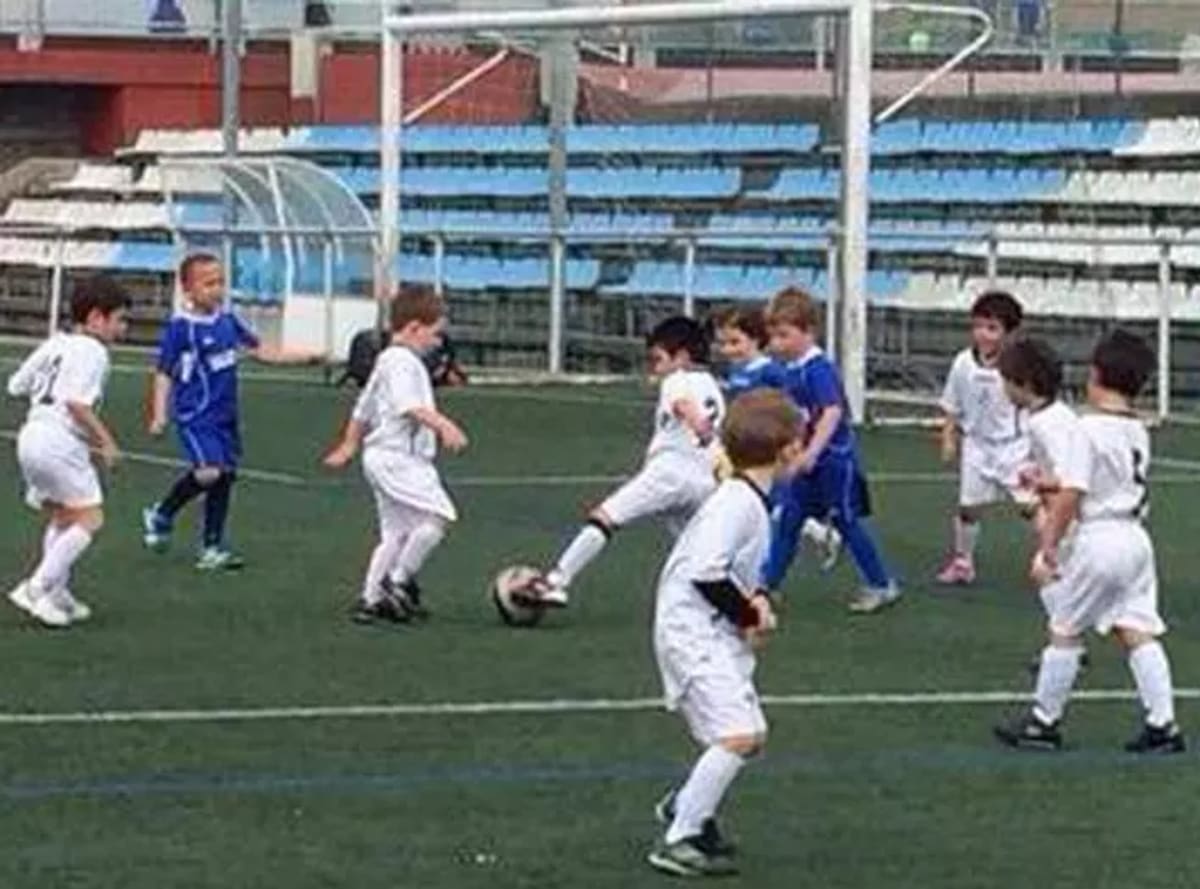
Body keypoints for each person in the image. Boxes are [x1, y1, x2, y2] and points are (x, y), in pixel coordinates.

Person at [993, 332, 1185, 754]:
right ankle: (1163, 723)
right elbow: (1100, 480)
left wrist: (1049, 544)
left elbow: (1073, 495)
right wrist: (1045, 480)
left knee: (1064, 627)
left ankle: (1043, 722)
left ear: (1095, 375)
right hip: (1136, 538)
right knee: (1137, 629)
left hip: (1100, 539)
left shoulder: (1086, 429)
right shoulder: (1137, 430)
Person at [647, 388, 800, 878]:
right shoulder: (738, 503)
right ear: (786, 451)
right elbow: (706, 573)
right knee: (739, 735)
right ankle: (679, 838)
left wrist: (755, 599)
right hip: (691, 633)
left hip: (707, 631)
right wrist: (750, 617)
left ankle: (688, 807)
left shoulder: (749, 499)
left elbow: (730, 570)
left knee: (749, 738)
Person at [520, 316, 725, 609]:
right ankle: (723, 599)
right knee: (696, 550)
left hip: (669, 473)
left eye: (658, 359)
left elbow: (683, 405)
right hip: (704, 479)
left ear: (681, 357)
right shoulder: (713, 386)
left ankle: (556, 582)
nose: (655, 368)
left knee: (605, 517)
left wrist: (697, 424)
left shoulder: (677, 379)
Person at [141, 252, 321, 570]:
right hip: (195, 415)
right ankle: (162, 513)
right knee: (209, 471)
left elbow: (260, 349)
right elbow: (164, 372)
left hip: (225, 416)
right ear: (187, 289)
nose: (217, 289)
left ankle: (212, 546)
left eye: (221, 282)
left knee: (224, 477)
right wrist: (159, 413)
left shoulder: (226, 321)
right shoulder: (181, 328)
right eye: (209, 283)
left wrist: (305, 357)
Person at [323, 285, 467, 624]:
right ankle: (398, 580)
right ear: (414, 328)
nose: (437, 342)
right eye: (435, 334)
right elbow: (408, 406)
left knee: (396, 533)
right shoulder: (402, 362)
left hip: (381, 457)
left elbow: (363, 407)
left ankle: (370, 598)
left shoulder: (387, 360)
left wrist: (349, 444)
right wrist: (445, 425)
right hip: (399, 458)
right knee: (437, 518)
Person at [760, 287, 901, 614]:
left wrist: (811, 453)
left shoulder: (818, 368)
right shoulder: (790, 369)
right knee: (789, 521)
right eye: (773, 336)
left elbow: (832, 411)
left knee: (847, 523)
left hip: (834, 463)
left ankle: (881, 583)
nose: (777, 344)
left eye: (784, 335)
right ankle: (767, 585)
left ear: (809, 331)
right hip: (807, 464)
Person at [6, 276, 130, 627]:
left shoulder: (56, 343)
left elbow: (17, 384)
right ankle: (36, 587)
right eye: (119, 319)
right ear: (95, 318)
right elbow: (77, 403)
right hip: (60, 441)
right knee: (91, 518)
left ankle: (57, 591)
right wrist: (107, 442)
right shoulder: (94, 352)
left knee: (63, 515)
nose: (122, 328)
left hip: (31, 435)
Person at [712, 305, 841, 571]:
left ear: (756, 340)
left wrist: (791, 439)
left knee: (772, 507)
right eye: (723, 343)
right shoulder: (737, 371)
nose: (729, 350)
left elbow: (790, 405)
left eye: (735, 342)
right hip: (743, 445)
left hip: (766, 448)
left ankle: (815, 535)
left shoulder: (771, 371)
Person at [936, 291, 1032, 586]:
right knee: (968, 509)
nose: (983, 334)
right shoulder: (963, 363)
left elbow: (1034, 404)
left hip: (1014, 448)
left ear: (1010, 333)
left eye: (992, 328)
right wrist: (949, 437)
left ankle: (1059, 560)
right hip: (977, 447)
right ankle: (963, 562)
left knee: (1032, 508)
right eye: (978, 326)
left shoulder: (1019, 367)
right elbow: (952, 406)